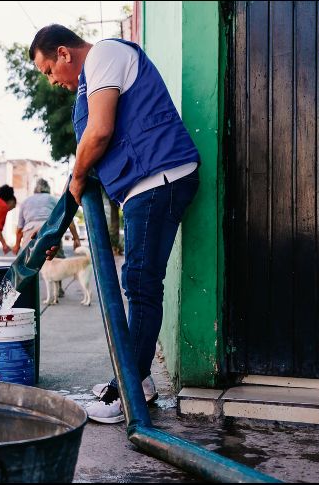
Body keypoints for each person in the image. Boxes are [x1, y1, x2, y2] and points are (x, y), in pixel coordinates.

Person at [30, 25, 200, 423]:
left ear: (64, 53)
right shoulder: (91, 78)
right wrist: (57, 226)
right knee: (139, 283)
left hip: (159, 178)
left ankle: (125, 392)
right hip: (148, 183)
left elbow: (99, 132)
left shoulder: (104, 55)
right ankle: (138, 381)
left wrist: (77, 175)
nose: (52, 81)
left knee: (140, 284)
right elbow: (89, 154)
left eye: (49, 70)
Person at [13, 178, 83, 298]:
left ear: (35, 189)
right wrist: (76, 238)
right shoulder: (54, 199)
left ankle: (26, 291)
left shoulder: (25, 202)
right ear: (48, 189)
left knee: (27, 263)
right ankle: (58, 290)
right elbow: (68, 220)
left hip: (30, 231)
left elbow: (19, 228)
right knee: (58, 260)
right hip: (51, 230)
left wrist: (17, 245)